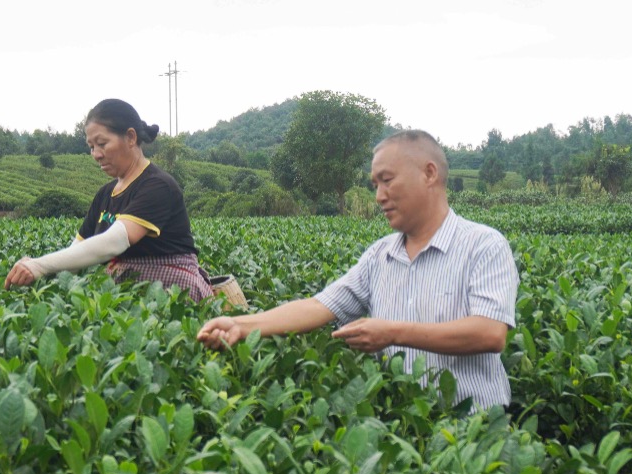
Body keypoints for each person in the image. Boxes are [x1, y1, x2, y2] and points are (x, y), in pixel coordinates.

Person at [197, 129, 519, 411]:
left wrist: (391, 333)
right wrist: (240, 325)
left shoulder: (483, 245)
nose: (379, 196)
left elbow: (489, 333)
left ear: (429, 173)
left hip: (476, 426)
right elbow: (317, 306)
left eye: (387, 180)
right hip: (403, 427)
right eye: (375, 184)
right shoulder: (379, 256)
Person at [5, 98, 213, 300]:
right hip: (126, 294)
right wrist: (35, 267)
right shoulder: (105, 194)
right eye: (91, 146)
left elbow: (115, 241)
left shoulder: (158, 186)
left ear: (131, 137)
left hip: (172, 293)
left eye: (102, 143)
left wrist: (40, 265)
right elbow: (76, 253)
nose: (96, 154)